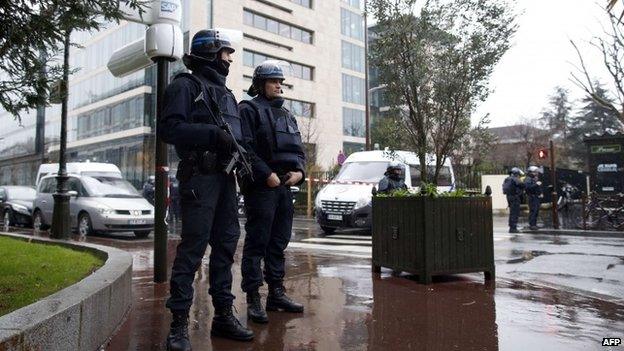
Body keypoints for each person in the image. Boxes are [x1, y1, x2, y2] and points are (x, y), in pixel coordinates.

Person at [160, 29, 254, 350]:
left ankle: (224, 316)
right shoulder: (185, 86)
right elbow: (169, 129)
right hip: (199, 176)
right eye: (226, 52)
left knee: (226, 246)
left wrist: (242, 159)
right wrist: (213, 135)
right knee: (193, 249)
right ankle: (178, 326)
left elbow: (237, 138)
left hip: (226, 180)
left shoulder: (227, 94)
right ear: (210, 52)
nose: (230, 58)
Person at [238, 60, 306, 325]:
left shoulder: (287, 115)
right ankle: (254, 298)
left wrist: (299, 172)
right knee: (257, 244)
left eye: (280, 81)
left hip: (284, 188)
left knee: (278, 243)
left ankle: (276, 294)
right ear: (259, 84)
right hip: (261, 187)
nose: (279, 85)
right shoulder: (248, 109)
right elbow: (244, 147)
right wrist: (266, 174)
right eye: (273, 81)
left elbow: (299, 150)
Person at [502, 167, 525, 233]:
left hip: (509, 197)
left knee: (512, 212)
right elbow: (522, 185)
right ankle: (513, 228)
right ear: (516, 173)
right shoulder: (515, 178)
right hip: (515, 197)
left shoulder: (507, 179)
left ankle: (512, 226)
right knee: (515, 212)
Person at [524, 166, 543, 230]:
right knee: (533, 211)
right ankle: (532, 225)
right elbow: (528, 188)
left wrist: (540, 193)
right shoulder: (528, 179)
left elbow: (536, 188)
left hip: (535, 196)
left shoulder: (533, 179)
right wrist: (536, 184)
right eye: (535, 172)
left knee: (536, 211)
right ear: (531, 172)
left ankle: (534, 224)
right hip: (532, 197)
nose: (536, 173)